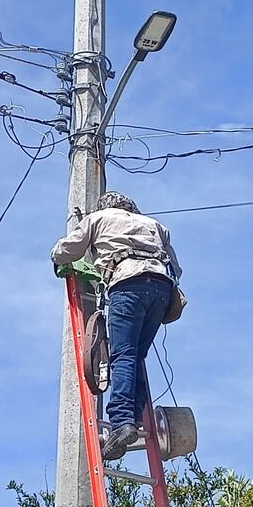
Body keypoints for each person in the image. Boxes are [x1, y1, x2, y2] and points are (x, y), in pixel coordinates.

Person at [50, 191, 182, 460]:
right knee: (137, 355)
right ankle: (133, 419)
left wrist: (56, 257)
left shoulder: (97, 219)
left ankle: (122, 422)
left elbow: (68, 250)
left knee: (123, 355)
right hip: (161, 290)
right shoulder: (155, 225)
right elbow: (176, 269)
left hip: (127, 283)